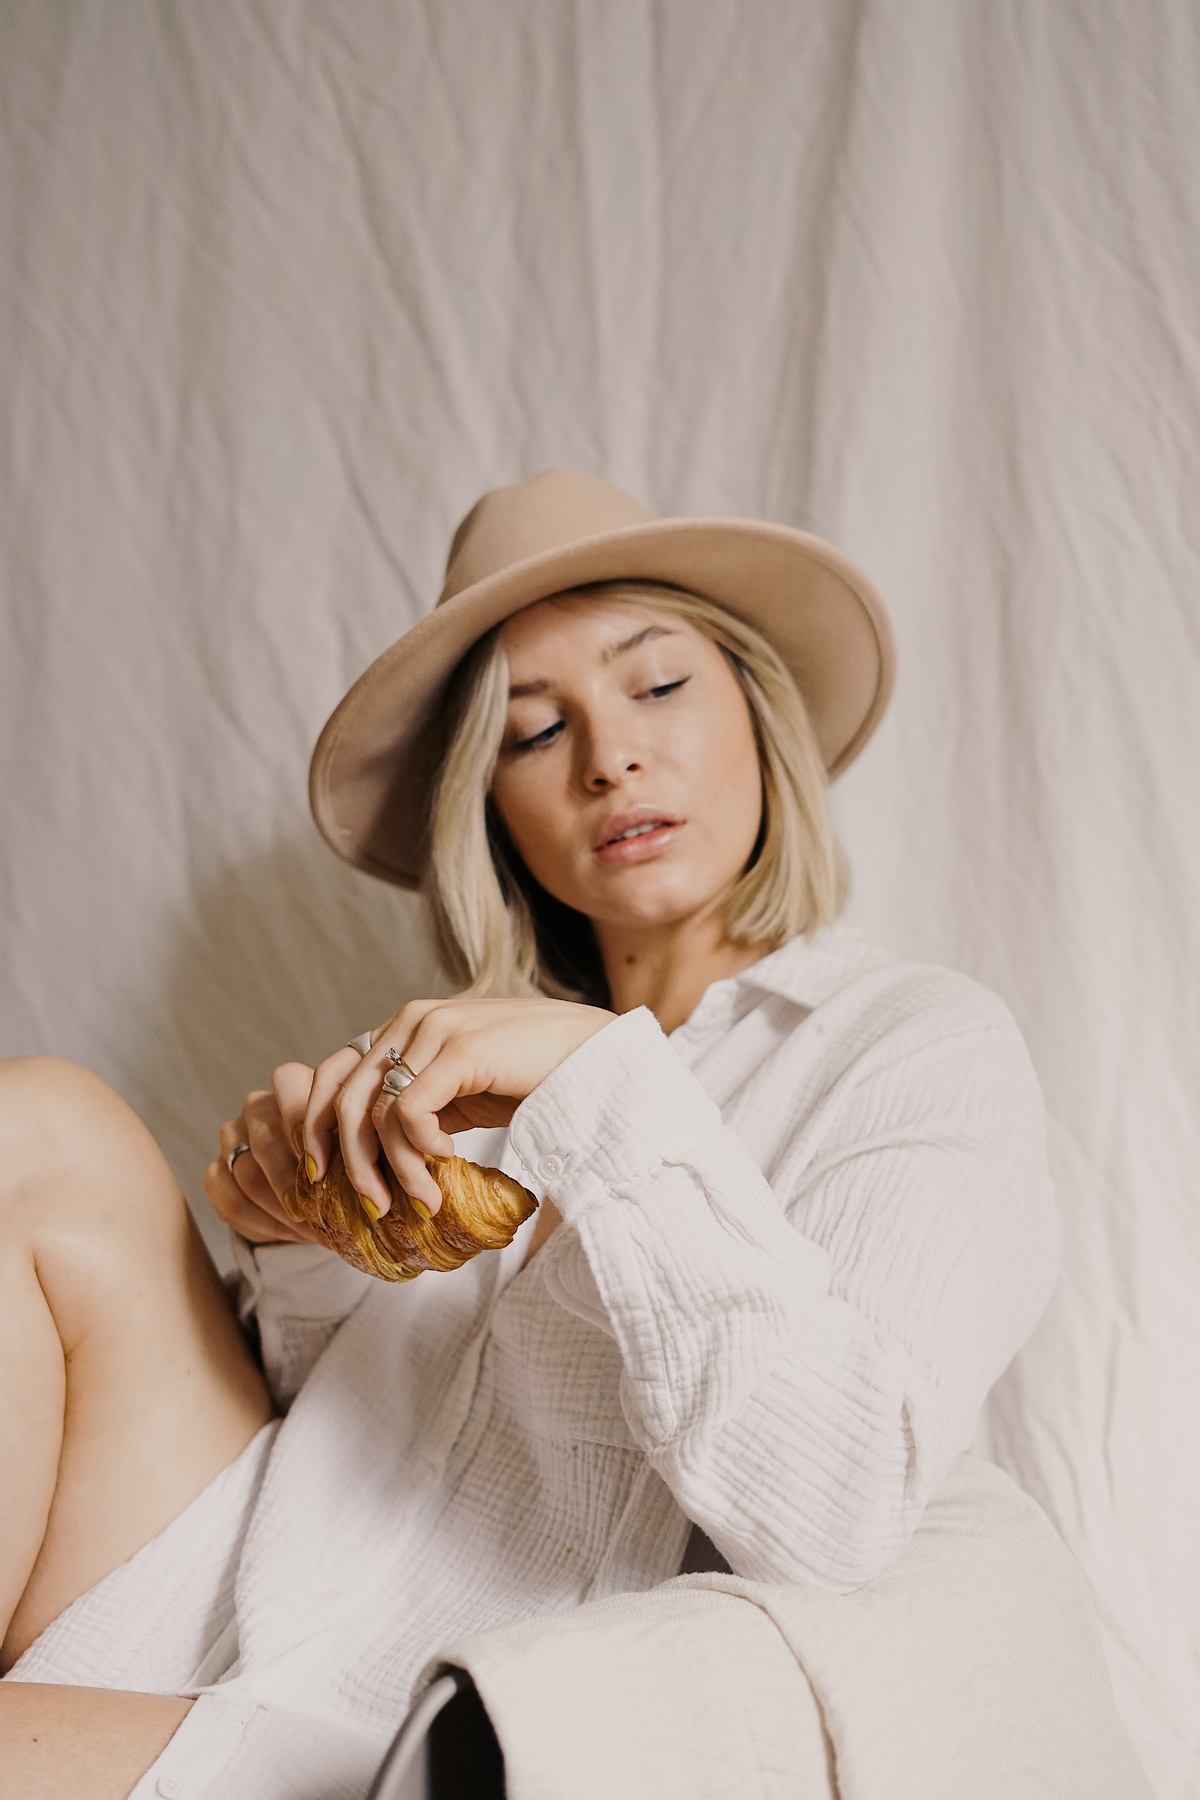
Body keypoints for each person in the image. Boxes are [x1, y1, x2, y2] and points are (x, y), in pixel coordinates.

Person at [0, 470, 1062, 1797]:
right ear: (488, 807)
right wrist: (303, 1245)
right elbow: (347, 1431)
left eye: (657, 686)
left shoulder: (914, 1046)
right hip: (230, 1592)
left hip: (422, 1719)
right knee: (40, 1121)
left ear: (755, 710)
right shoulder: (456, 1062)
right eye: (531, 730)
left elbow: (834, 1507)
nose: (608, 756)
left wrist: (601, 1085)